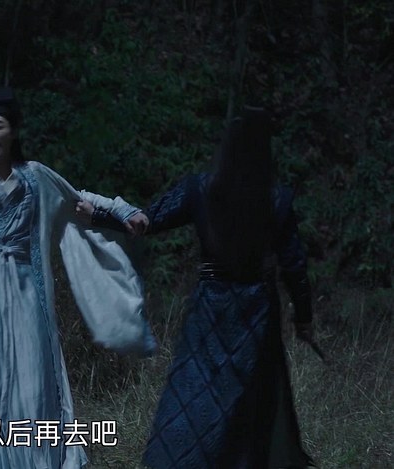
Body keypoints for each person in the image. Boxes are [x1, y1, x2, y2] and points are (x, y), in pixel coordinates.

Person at [0, 87, 157, 468]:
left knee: (28, 378)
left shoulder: (35, 177)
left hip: (20, 290)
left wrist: (123, 211)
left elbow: (77, 199)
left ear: (13, 131)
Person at [81, 106, 316, 468]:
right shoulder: (276, 198)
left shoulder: (202, 189)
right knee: (249, 400)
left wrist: (98, 214)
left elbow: (147, 221)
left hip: (213, 306)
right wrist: (304, 318)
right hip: (255, 310)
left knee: (198, 392)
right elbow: (295, 267)